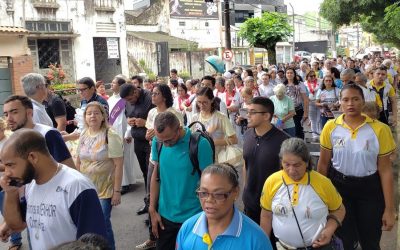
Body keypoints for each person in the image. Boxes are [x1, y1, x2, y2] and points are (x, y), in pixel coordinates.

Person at [317, 84, 396, 250]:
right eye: (345, 99)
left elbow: (385, 170)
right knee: (344, 239)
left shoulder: (380, 129)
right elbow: (323, 165)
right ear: (340, 102)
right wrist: (320, 198)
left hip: (369, 189)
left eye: (355, 99)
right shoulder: (331, 127)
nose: (350, 104)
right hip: (339, 187)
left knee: (370, 239)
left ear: (363, 101)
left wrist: (389, 209)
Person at [0, 129, 107, 250]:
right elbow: (17, 226)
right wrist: (10, 192)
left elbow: (94, 245)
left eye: (10, 165)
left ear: (33, 157)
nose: (7, 173)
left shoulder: (77, 187)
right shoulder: (30, 185)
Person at [260, 138, 345, 249]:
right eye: (286, 164)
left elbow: (339, 209)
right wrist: (263, 244)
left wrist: (329, 231)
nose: (291, 170)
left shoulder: (322, 183)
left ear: (307, 162)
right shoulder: (272, 181)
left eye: (297, 165)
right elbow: (266, 215)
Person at [149, 111, 214, 250]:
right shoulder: (158, 142)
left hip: (194, 216)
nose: (165, 144)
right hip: (165, 218)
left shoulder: (199, 144)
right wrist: (152, 209)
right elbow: (156, 177)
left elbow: (210, 184)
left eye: (169, 140)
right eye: (162, 141)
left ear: (179, 129)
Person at [176, 163, 273, 250]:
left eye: (218, 194)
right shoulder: (187, 229)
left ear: (235, 192)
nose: (209, 200)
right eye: (204, 193)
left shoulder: (256, 239)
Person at [136, 84, 184, 250]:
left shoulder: (174, 114)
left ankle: (174, 234)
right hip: (154, 158)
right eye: (152, 93)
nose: (152, 96)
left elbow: (179, 139)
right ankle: (153, 235)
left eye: (156, 93)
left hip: (171, 161)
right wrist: (149, 134)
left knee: (168, 193)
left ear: (164, 96)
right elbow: (150, 134)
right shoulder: (151, 113)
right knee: (152, 195)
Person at [76, 102, 123, 250]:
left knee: (102, 223)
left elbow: (118, 165)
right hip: (85, 188)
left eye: (96, 113)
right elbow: (78, 160)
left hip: (105, 189)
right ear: (85, 117)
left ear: (103, 116)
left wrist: (117, 191)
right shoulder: (83, 133)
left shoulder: (110, 135)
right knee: (88, 224)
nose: (92, 116)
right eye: (89, 113)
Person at [3, 95, 76, 169]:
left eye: (14, 112)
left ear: (29, 113)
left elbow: (70, 169)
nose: (9, 118)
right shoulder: (13, 140)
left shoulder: (48, 134)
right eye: (6, 114)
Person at [120, 83, 155, 215]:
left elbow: (159, 117)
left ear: (135, 91)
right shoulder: (127, 102)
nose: (129, 102)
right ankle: (148, 202)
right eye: (127, 101)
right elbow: (127, 113)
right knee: (145, 172)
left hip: (151, 141)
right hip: (138, 140)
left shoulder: (149, 97)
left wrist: (145, 122)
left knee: (152, 174)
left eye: (130, 99)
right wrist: (129, 121)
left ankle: (153, 206)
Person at [108, 76, 142, 194]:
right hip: (114, 132)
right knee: (116, 157)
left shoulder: (125, 100)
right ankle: (121, 181)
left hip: (124, 132)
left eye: (114, 83)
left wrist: (128, 132)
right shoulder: (110, 99)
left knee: (125, 157)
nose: (111, 84)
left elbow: (129, 116)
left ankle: (127, 182)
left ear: (121, 86)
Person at [192, 87, 238, 162]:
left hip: (218, 158)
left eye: (205, 102)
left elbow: (234, 139)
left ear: (212, 100)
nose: (201, 105)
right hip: (201, 158)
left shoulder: (221, 118)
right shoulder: (195, 118)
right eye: (199, 102)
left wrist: (213, 141)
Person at [283, 68, 309, 139]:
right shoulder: (283, 85)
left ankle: (300, 146)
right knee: (287, 130)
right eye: (287, 73)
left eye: (291, 73)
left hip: (298, 110)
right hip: (286, 111)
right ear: (285, 74)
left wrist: (306, 113)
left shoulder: (300, 84)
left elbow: (305, 99)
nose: (289, 74)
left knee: (298, 128)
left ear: (294, 74)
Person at [304, 71, 321, 140]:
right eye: (311, 76)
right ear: (307, 76)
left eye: (314, 75)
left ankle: (320, 134)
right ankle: (315, 135)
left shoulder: (320, 81)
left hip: (319, 102)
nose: (313, 77)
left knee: (319, 119)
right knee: (313, 120)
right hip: (310, 103)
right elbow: (304, 93)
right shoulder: (304, 83)